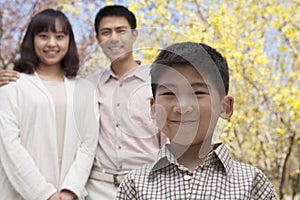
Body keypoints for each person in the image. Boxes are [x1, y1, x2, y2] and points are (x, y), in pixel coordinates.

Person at [116, 42, 278, 199]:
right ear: (153, 107)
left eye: (197, 93)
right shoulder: (135, 185)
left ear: (225, 107)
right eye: (170, 94)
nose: (183, 107)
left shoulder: (251, 182)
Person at [0, 9, 98, 200]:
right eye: (43, 36)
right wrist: (45, 194)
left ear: (69, 41)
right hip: (20, 193)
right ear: (32, 40)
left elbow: (88, 144)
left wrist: (71, 190)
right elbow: (9, 145)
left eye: (59, 36)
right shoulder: (12, 85)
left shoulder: (85, 89)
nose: (51, 43)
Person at [85, 5, 167, 199]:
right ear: (98, 39)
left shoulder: (158, 82)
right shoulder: (88, 86)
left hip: (148, 186)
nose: (114, 38)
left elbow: (170, 141)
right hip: (98, 189)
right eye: (106, 32)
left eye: (121, 31)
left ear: (134, 35)